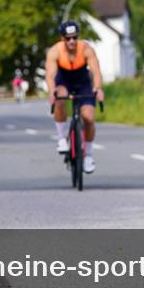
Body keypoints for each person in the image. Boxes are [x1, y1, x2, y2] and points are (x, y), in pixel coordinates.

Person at [45, 20, 105, 174]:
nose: (71, 41)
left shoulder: (86, 49)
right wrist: (51, 91)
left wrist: (97, 88)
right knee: (60, 97)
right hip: (63, 80)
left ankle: (88, 155)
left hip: (82, 82)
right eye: (68, 38)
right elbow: (50, 74)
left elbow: (96, 71)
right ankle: (61, 138)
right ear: (62, 38)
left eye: (74, 37)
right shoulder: (54, 51)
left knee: (88, 118)